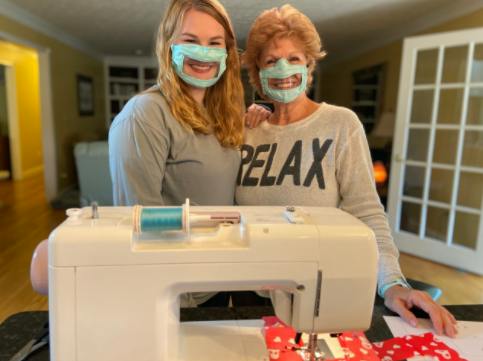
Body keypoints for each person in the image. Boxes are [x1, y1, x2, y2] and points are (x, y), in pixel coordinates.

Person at [236, 4, 457, 337]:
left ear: (309, 65)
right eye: (271, 60)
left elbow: (367, 213)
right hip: (249, 296)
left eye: (294, 58)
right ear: (257, 71)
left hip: (320, 297)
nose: (283, 68)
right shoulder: (245, 130)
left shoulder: (340, 124)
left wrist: (394, 284)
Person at [31, 0, 266, 307]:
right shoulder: (145, 115)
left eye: (214, 43)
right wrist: (178, 303)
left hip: (215, 278)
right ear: (168, 45)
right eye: (190, 41)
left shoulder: (220, 113)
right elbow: (140, 223)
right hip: (178, 291)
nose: (203, 52)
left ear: (227, 52)